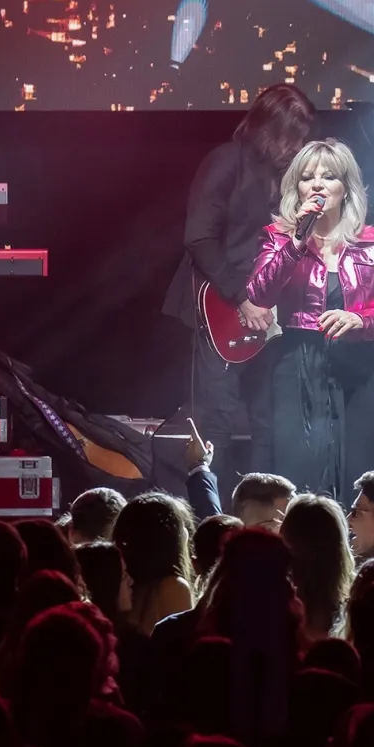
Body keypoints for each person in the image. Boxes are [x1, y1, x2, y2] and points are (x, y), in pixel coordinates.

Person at [163, 85, 317, 476]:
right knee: (218, 421)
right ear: (266, 129)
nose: (295, 146)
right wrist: (241, 296)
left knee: (269, 421)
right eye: (289, 137)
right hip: (220, 306)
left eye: (300, 137)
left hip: (269, 314)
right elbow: (199, 236)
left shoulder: (289, 177)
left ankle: (265, 513)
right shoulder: (225, 162)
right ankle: (211, 519)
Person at [246, 138, 374, 495]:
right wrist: (297, 241)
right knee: (301, 469)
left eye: (329, 176)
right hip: (299, 362)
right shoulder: (278, 238)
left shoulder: (372, 241)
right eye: (307, 177)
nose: (318, 184)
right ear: (297, 188)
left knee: (365, 470)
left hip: (363, 364)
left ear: (345, 188)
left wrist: (361, 320)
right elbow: (260, 293)